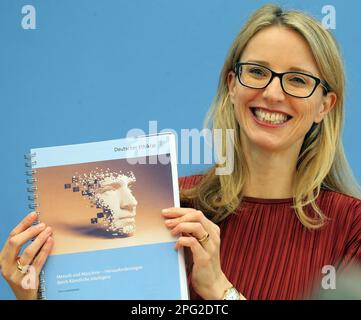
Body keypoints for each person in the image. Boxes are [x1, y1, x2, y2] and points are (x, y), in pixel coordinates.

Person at [1, 4, 361, 300]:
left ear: (325, 105)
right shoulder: (167, 204)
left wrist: (219, 289)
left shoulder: (352, 227)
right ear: (232, 85)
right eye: (257, 72)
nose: (272, 93)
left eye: (297, 79)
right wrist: (34, 297)